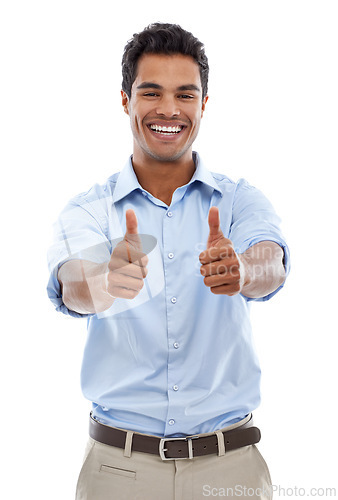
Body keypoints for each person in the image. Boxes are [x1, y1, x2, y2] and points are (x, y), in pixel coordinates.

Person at [47, 22, 290, 500]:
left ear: (202, 105)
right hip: (117, 475)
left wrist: (243, 270)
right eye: (151, 92)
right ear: (125, 101)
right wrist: (104, 279)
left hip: (230, 472)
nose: (168, 110)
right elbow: (72, 284)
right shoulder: (90, 209)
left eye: (185, 94)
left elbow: (271, 263)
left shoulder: (240, 199)